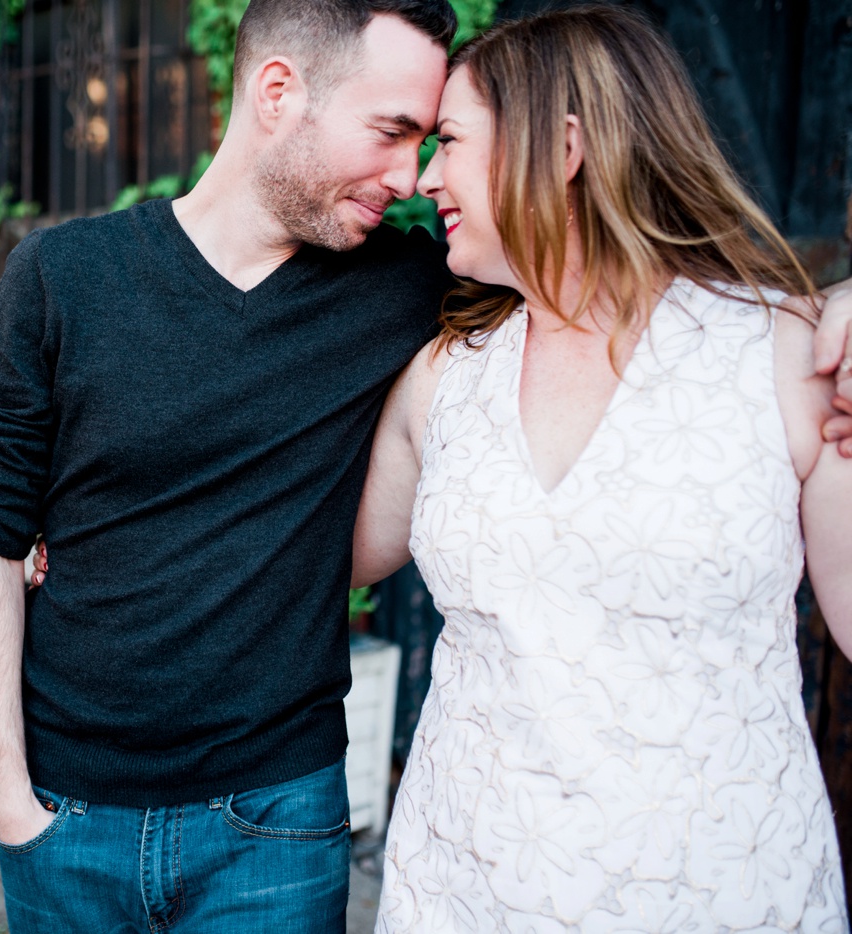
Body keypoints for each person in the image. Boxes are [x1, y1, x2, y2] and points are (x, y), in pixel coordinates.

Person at [0, 0, 852, 930]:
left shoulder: (418, 289)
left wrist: (842, 308)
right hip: (93, 815)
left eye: (436, 140)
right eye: (394, 132)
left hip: (284, 819)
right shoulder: (66, 276)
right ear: (278, 92)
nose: (413, 177)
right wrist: (11, 804)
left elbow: (615, 271)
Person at [349, 7, 852, 930]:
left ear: (564, 146)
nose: (423, 178)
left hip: (721, 899)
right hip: (462, 894)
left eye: (449, 141)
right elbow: (319, 551)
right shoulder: (445, 379)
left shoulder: (784, 355)